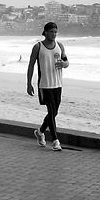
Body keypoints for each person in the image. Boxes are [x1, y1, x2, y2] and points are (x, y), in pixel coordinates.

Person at [26, 21, 69, 151]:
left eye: (55, 32)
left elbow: (66, 62)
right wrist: (29, 83)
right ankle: (55, 140)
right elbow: (31, 65)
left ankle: (40, 132)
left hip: (58, 84)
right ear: (45, 32)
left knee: (54, 112)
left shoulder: (60, 46)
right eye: (51, 31)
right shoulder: (38, 46)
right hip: (45, 85)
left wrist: (63, 64)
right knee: (51, 111)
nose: (54, 34)